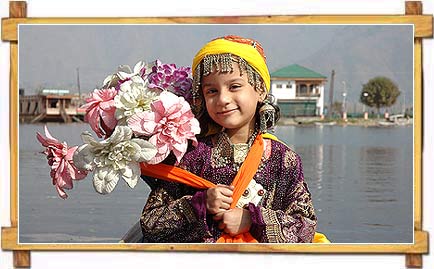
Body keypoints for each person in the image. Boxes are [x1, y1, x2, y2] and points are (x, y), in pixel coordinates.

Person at [139, 35, 317, 243]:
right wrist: (199, 204)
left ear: (260, 89)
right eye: (212, 91)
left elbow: (305, 228)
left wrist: (253, 220)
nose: (223, 99)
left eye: (234, 87)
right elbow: (151, 225)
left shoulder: (283, 160)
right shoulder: (190, 155)